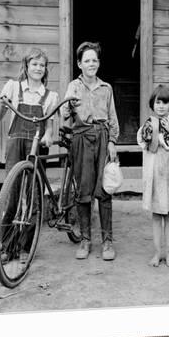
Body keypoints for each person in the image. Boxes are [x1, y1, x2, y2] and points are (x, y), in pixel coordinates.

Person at [0, 47, 58, 261]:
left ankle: (25, 247)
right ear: (27, 66)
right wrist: (2, 104)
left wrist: (48, 135)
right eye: (34, 64)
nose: (38, 68)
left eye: (42, 65)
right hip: (15, 144)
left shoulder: (50, 96)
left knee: (34, 196)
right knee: (12, 194)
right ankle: (6, 246)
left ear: (45, 69)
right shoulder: (13, 87)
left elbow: (49, 125)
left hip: (36, 146)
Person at [62, 41, 119, 261]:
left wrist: (113, 142)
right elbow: (65, 116)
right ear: (79, 64)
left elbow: (113, 117)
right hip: (81, 139)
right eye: (87, 60)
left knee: (104, 190)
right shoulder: (73, 87)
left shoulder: (106, 88)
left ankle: (107, 242)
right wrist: (69, 106)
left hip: (103, 137)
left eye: (94, 60)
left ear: (98, 63)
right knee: (84, 191)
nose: (91, 63)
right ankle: (85, 240)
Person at [137, 85, 169, 267]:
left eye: (165, 103)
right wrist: (157, 130)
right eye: (158, 102)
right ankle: (157, 253)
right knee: (157, 215)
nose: (161, 106)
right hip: (156, 173)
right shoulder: (148, 125)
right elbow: (151, 147)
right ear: (152, 104)